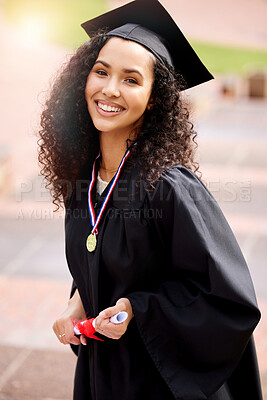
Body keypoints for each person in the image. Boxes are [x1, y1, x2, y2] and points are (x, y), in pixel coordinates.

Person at [38, 0, 262, 399]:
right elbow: (108, 256)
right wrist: (78, 302)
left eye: (131, 79)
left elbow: (225, 297)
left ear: (155, 98)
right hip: (103, 372)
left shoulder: (169, 187)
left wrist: (136, 308)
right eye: (101, 72)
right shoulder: (86, 179)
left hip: (160, 381)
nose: (109, 89)